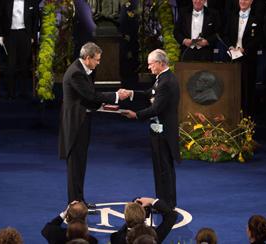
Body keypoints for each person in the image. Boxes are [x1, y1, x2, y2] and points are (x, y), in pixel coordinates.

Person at [58, 42, 128, 206]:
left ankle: (79, 200)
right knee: (75, 166)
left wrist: (102, 105)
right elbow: (90, 95)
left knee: (80, 164)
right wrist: (116, 96)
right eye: (97, 59)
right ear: (87, 58)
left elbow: (86, 98)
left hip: (81, 121)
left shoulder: (82, 69)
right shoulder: (76, 72)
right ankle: (74, 204)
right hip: (75, 125)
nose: (98, 62)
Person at [121, 49, 180, 209]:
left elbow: (156, 108)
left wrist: (136, 115)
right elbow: (150, 93)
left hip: (164, 133)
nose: (149, 67)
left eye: (150, 64)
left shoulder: (167, 82)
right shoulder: (162, 78)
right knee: (160, 168)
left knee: (165, 169)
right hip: (158, 132)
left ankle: (168, 203)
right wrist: (131, 93)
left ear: (160, 63)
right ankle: (162, 201)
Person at [223, 0, 262, 117]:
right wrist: (230, 47)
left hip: (248, 59)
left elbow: (259, 39)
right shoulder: (231, 16)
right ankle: (232, 114)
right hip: (232, 58)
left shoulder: (257, 18)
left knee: (247, 87)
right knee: (232, 86)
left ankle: (246, 116)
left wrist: (245, 49)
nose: (243, 1)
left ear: (251, 1)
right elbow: (225, 34)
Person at [0, 0, 39, 99]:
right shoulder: (5, 2)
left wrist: (33, 36)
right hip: (10, 34)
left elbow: (36, 19)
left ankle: (24, 92)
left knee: (24, 64)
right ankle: (11, 93)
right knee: (11, 65)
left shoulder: (31, 2)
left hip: (25, 34)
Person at [110, 197, 178, 244]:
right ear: (144, 217)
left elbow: (128, 224)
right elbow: (171, 215)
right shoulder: (153, 236)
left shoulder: (116, 238)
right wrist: (152, 201)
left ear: (125, 218)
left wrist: (134, 211)